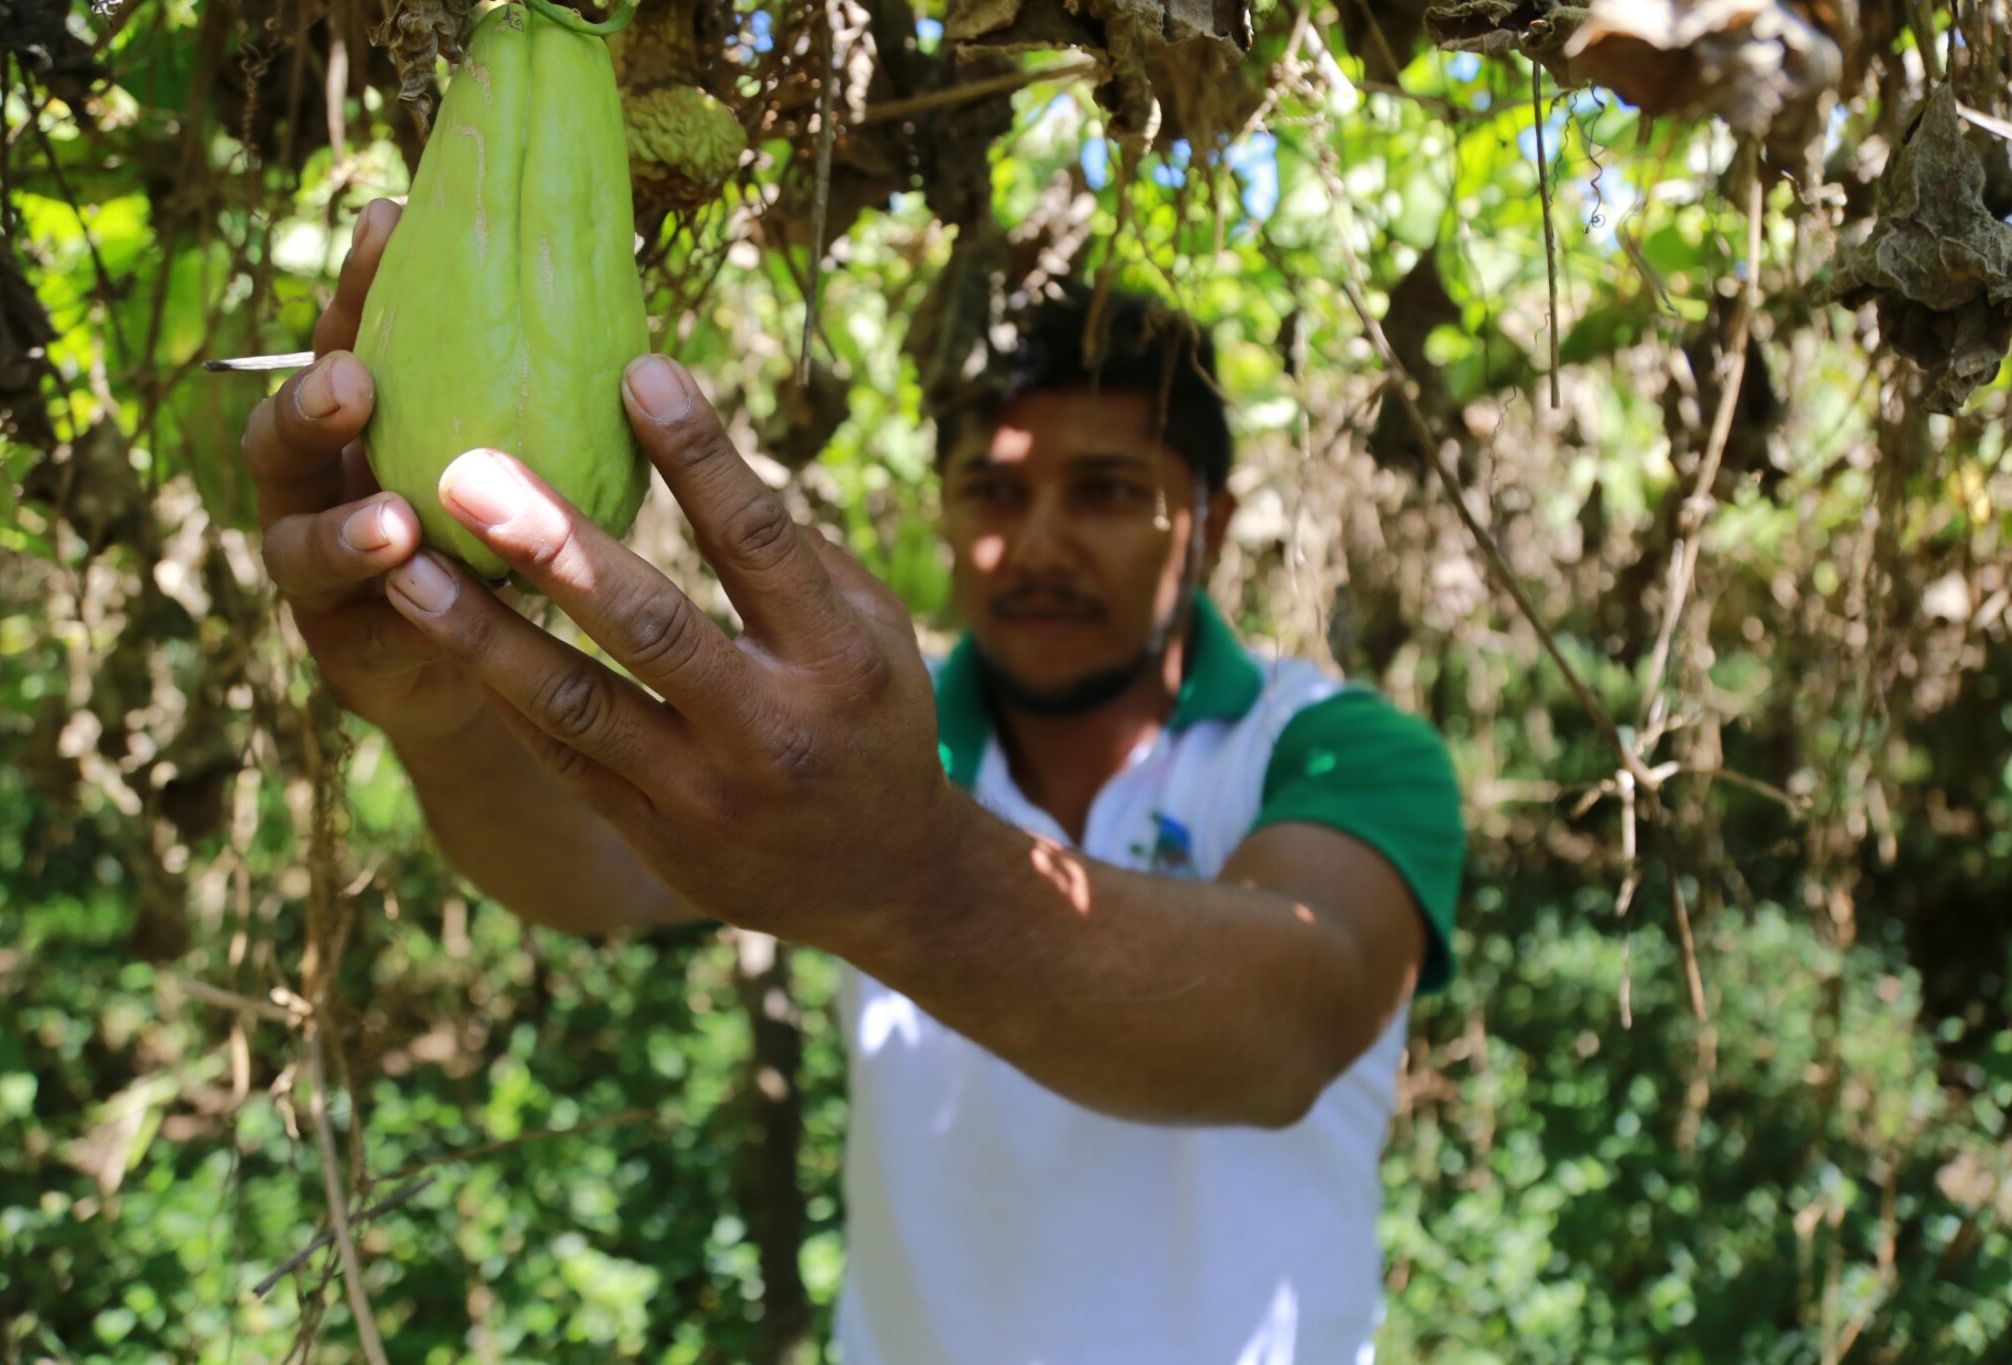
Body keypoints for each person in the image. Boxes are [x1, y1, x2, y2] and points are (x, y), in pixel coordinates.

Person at [241, 196, 1465, 1363]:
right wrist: (447, 711)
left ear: (1207, 518)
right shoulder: (890, 753)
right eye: (992, 491)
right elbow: (597, 871)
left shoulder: (1335, 749)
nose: (1035, 543)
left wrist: (898, 875)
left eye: (1103, 492)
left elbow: (1283, 1031)